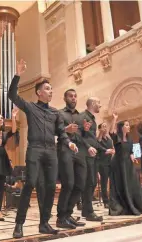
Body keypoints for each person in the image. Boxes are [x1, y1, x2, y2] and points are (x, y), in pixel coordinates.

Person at [8, 59, 78, 238]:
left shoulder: (55, 113)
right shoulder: (30, 107)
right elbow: (12, 95)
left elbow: (61, 133)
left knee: (49, 187)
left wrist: (69, 142)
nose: (51, 91)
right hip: (35, 149)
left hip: (51, 151)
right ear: (39, 93)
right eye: (47, 89)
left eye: (51, 89)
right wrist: (17, 74)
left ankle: (44, 223)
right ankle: (19, 224)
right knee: (30, 183)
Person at [56, 89, 95, 229]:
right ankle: (61, 217)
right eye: (70, 96)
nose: (73, 98)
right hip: (65, 149)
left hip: (79, 151)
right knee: (69, 184)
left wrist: (87, 141)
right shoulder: (60, 113)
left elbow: (81, 135)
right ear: (65, 98)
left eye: (75, 96)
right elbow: (57, 131)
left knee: (80, 185)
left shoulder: (79, 116)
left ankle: (68, 214)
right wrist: (66, 129)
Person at [108, 113, 142, 216]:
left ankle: (136, 205)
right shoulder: (116, 137)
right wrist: (114, 119)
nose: (128, 126)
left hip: (128, 163)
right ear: (121, 127)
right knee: (120, 184)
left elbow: (131, 151)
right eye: (126, 125)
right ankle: (121, 206)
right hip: (118, 164)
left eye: (128, 125)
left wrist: (133, 157)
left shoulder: (130, 139)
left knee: (133, 183)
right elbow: (111, 131)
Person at [79, 97, 106, 221]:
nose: (100, 105)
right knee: (89, 183)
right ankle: (88, 212)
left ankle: (86, 210)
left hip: (94, 155)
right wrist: (88, 146)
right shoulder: (83, 116)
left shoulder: (92, 119)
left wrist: (103, 149)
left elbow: (92, 138)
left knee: (92, 182)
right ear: (93, 103)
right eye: (99, 103)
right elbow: (79, 135)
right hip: (86, 154)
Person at [94, 122, 115, 209]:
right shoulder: (98, 139)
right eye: (103, 127)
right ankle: (106, 201)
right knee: (104, 182)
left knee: (113, 181)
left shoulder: (109, 140)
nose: (105, 128)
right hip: (102, 163)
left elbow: (112, 149)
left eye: (106, 126)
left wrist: (112, 151)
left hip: (110, 162)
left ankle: (113, 199)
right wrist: (107, 150)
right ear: (99, 129)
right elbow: (98, 144)